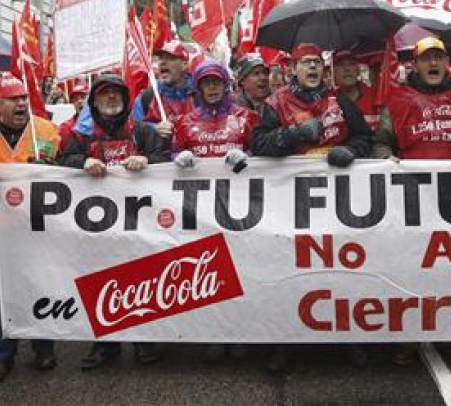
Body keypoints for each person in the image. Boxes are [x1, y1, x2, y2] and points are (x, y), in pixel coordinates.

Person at [252, 42, 372, 372]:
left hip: (338, 200)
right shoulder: (276, 103)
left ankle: (345, 338)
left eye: (317, 63)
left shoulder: (340, 100)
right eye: (306, 63)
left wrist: (351, 151)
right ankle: (284, 342)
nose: (312, 68)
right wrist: (293, 134)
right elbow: (258, 145)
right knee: (290, 269)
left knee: (339, 267)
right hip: (292, 201)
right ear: (293, 70)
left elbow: (364, 138)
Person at [372, 37, 451, 366]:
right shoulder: (398, 101)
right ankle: (408, 337)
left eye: (439, 58)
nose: (433, 64)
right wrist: (389, 165)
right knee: (410, 270)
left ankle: (450, 338)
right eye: (426, 59)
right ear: (414, 66)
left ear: (447, 64)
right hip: (412, 201)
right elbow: (382, 144)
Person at [58, 73, 168, 369]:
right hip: (98, 226)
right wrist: (82, 162)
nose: (110, 99)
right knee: (101, 282)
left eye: (115, 94)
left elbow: (165, 161)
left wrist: (148, 161)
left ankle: (144, 339)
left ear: (125, 100)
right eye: (104, 94)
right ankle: (105, 344)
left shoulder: (143, 131)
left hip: (140, 223)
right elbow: (61, 163)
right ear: (93, 101)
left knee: (142, 280)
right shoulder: (81, 136)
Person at [0, 73, 62, 383]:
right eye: (13, 99)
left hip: (37, 226)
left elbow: (67, 170)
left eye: (23, 99)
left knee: (39, 285)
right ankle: (2, 356)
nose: (20, 104)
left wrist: (52, 172)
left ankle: (44, 349)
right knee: (0, 294)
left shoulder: (44, 129)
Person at [173, 59, 260, 361]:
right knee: (206, 271)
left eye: (216, 82)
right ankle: (213, 332)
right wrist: (178, 156)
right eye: (206, 83)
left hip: (239, 210)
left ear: (226, 85)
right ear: (198, 88)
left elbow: (262, 154)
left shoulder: (246, 117)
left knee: (241, 271)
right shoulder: (185, 122)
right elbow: (173, 153)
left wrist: (247, 155)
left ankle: (238, 332)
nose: (211, 88)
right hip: (201, 213)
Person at [131, 40, 196, 144]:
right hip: (160, 158)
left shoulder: (200, 93)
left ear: (184, 65)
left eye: (170, 58)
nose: (162, 62)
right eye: (160, 58)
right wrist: (154, 129)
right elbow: (133, 129)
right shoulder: (147, 97)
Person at [332, 50, 380, 130]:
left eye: (351, 64)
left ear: (358, 70)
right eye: (340, 65)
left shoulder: (377, 98)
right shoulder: (328, 103)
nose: (346, 69)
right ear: (333, 73)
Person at [57, 83, 88, 147]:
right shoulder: (66, 127)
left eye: (83, 97)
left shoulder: (102, 121)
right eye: (75, 99)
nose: (79, 101)